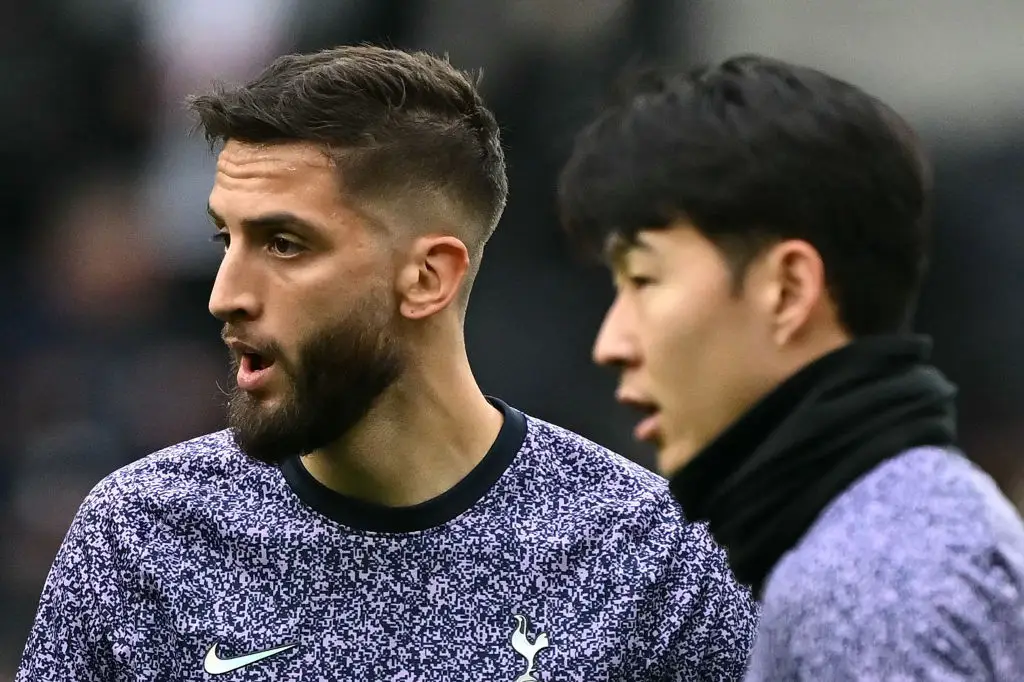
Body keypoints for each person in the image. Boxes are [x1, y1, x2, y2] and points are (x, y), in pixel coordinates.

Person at [18, 46, 758, 681]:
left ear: (428, 277)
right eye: (225, 242)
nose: (225, 296)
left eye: (284, 244)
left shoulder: (648, 557)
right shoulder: (141, 537)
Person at [557, 54, 1024, 681]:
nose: (611, 342)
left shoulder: (863, 585)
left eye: (644, 279)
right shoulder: (905, 528)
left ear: (787, 289)